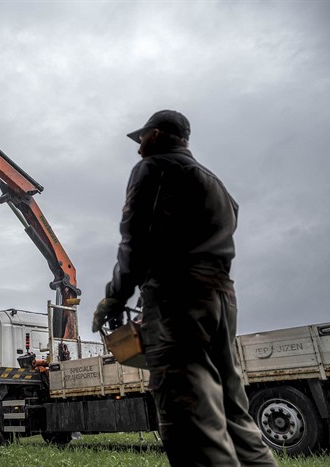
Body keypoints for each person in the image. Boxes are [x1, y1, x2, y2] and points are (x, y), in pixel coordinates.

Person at [92, 110, 278, 466]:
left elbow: (134, 241)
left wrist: (114, 298)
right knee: (233, 414)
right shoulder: (218, 186)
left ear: (158, 135)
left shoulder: (153, 169)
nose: (137, 149)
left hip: (177, 301)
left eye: (142, 138)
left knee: (191, 421)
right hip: (222, 300)